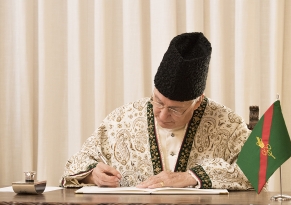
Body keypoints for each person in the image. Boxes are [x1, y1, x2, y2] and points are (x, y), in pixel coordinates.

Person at [60, 32, 253, 190]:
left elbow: (256, 173)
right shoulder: (121, 120)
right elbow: (74, 166)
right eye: (158, 102)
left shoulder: (228, 124)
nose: (162, 115)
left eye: (175, 110)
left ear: (197, 102)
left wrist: (192, 177)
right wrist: (92, 175)